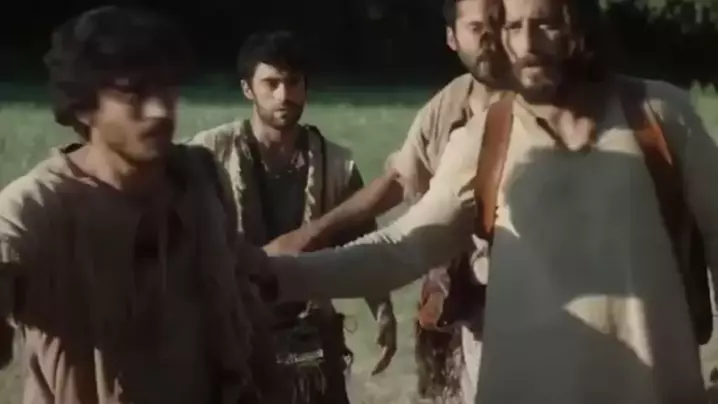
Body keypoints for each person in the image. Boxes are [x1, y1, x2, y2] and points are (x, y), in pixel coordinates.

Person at [264, 0, 718, 403]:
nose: (528, 44)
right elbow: (403, 247)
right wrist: (277, 275)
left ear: (582, 26)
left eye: (546, 24)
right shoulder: (485, 137)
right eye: (514, 26)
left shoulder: (660, 118)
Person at [0, 6, 281, 404]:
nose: (160, 110)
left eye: (166, 89)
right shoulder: (40, 206)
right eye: (134, 94)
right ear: (83, 106)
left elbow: (244, 288)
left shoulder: (199, 180)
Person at [261, 1, 505, 401]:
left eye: (500, 25)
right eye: (477, 28)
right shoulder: (450, 106)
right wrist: (308, 237)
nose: (490, 40)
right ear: (452, 37)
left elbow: (403, 249)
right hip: (467, 309)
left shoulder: (531, 114)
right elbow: (399, 187)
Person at [189, 30, 397, 404]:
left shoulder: (336, 164)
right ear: (247, 89)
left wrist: (382, 311)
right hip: (233, 333)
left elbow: (363, 239)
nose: (283, 95)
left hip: (310, 338)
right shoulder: (209, 153)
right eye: (271, 83)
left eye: (293, 82)